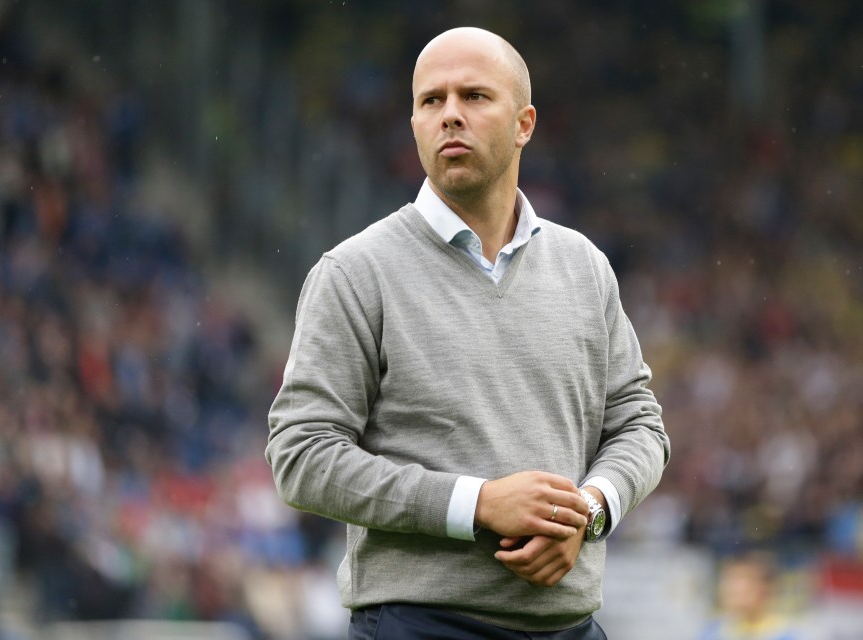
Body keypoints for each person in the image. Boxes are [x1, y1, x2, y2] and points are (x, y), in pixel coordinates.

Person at [266, 26, 670, 639]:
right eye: (432, 101)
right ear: (414, 124)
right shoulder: (355, 272)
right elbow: (302, 456)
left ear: (524, 124)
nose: (450, 115)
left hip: (573, 625)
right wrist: (476, 505)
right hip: (421, 624)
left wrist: (586, 513)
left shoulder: (583, 266)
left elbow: (640, 425)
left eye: (475, 96)